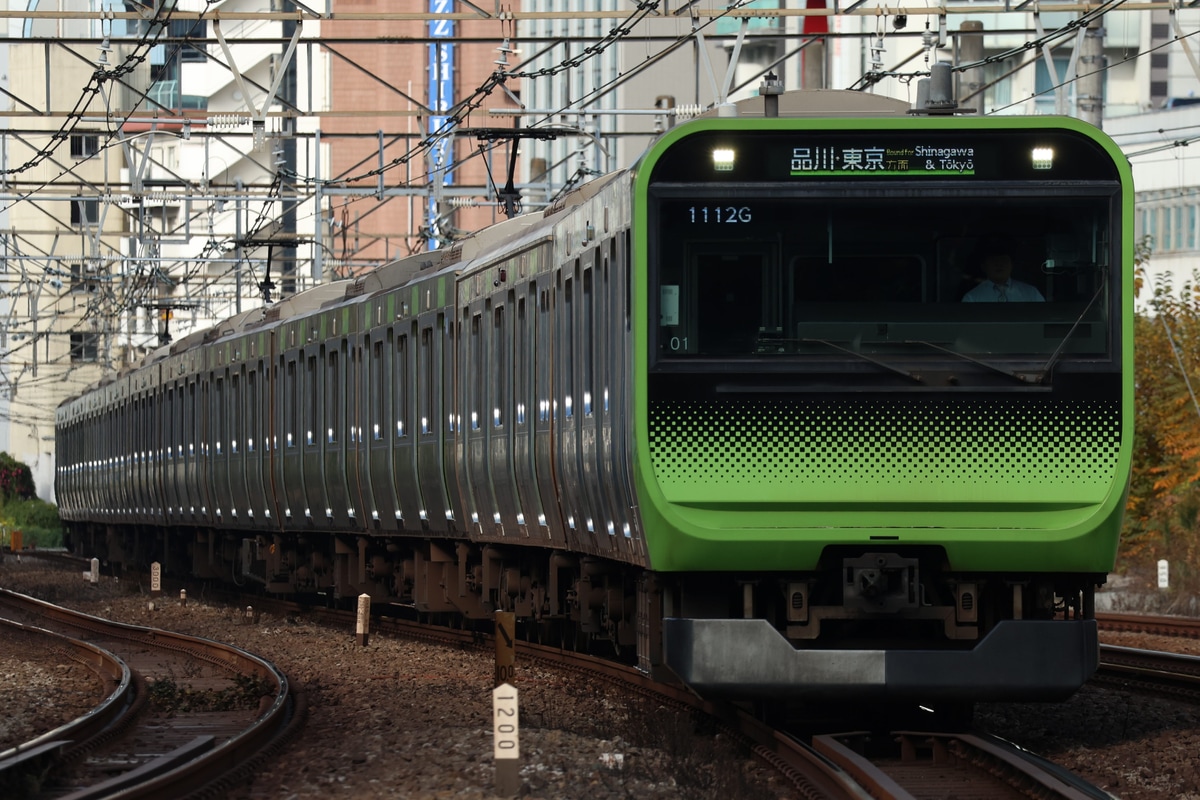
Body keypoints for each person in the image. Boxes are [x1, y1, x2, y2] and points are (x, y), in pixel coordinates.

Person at [961, 252, 1045, 302]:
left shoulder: (1031, 293)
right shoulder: (972, 298)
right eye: (994, 260)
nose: (999, 264)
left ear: (1012, 265)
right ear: (983, 266)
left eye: (1003, 259)